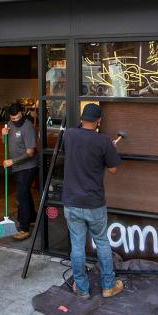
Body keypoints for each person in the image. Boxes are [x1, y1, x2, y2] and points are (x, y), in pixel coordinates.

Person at [62, 103, 125, 299]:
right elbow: (113, 169)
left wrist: (105, 147)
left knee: (77, 245)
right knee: (102, 242)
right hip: (94, 203)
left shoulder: (69, 135)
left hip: (72, 202)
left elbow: (81, 150)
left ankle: (82, 289)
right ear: (99, 121)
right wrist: (110, 149)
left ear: (82, 118)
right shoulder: (104, 142)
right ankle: (108, 286)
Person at [2, 103, 37, 241]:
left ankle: (24, 228)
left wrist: (13, 161)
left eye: (17, 118)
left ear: (22, 113)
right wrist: (3, 134)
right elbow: (4, 143)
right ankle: (32, 217)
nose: (16, 120)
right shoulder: (9, 124)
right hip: (17, 167)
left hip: (27, 167)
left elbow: (30, 152)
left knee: (20, 196)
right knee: (25, 193)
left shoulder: (27, 127)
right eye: (13, 118)